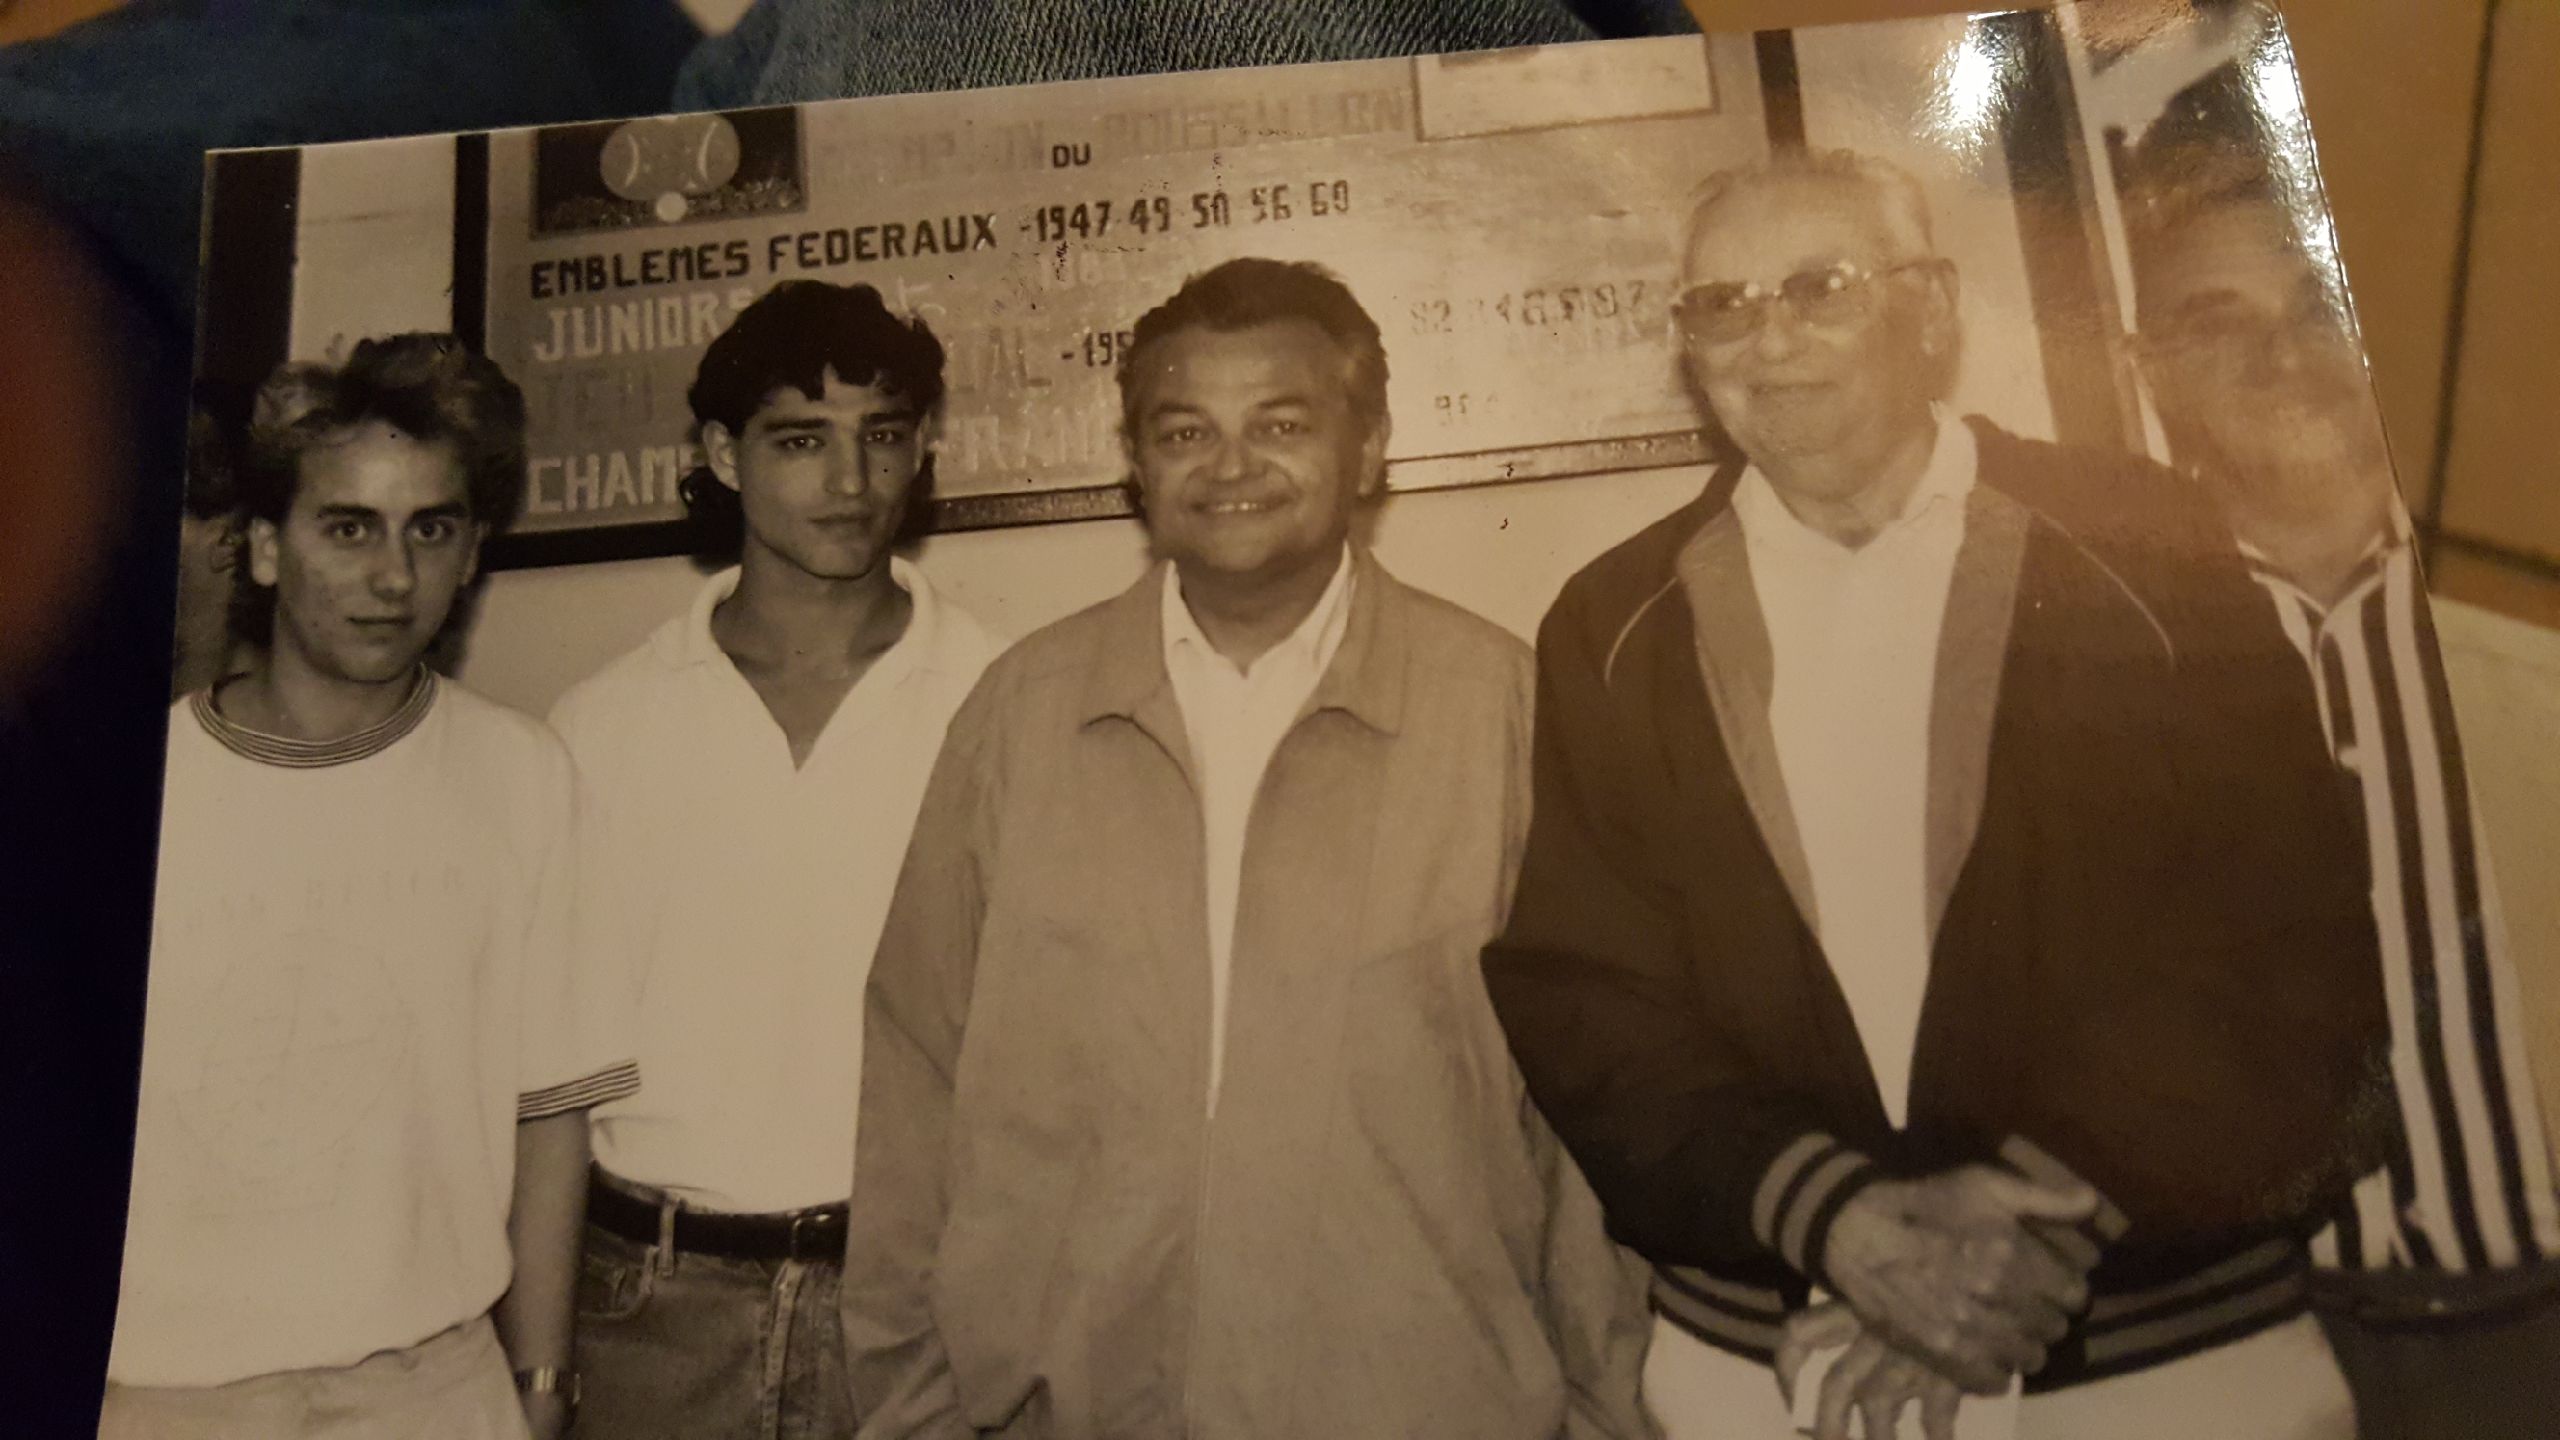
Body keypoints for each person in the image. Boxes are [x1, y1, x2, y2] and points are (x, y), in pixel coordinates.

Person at [1482, 148, 2394, 1440]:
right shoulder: (1615, 622)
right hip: (1776, 1372)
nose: (1770, 337)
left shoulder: (2148, 541)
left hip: (2162, 1358)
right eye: (1723, 304)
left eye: (1820, 286)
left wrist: (2020, 1224)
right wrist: (1839, 1223)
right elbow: (1591, 995)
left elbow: (2284, 938)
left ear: (1933, 309)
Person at [843, 257, 1655, 1439]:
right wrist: (916, 1407)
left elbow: (1585, 1116)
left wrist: (1597, 1404)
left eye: (1280, 424)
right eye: (1185, 430)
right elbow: (916, 1072)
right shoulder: (1021, 714)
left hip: (1423, 1400)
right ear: (1136, 461)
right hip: (1071, 1407)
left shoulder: (1501, 712)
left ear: (1368, 448)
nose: (1230, 466)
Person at [2123, 70, 2560, 1440]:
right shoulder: (2112, 690)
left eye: (2323, 306)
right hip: (2275, 1365)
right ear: (2149, 378)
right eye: (2217, 320)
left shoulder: (2522, 645)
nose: (2286, 354)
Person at [102, 333, 635, 1440]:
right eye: (348, 528)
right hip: (157, 1395)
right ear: (261, 547)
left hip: (431, 1389)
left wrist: (539, 1389)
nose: (393, 578)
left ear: (472, 551)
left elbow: (553, 1119)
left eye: (429, 530)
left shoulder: (522, 775)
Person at [546, 279, 1002, 1439]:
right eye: (802, 441)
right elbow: (548, 1087)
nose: (850, 484)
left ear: (923, 451)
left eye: (882, 437)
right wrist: (540, 1368)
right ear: (723, 454)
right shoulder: (599, 726)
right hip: (651, 1309)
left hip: (916, 1307)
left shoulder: (1006, 705)